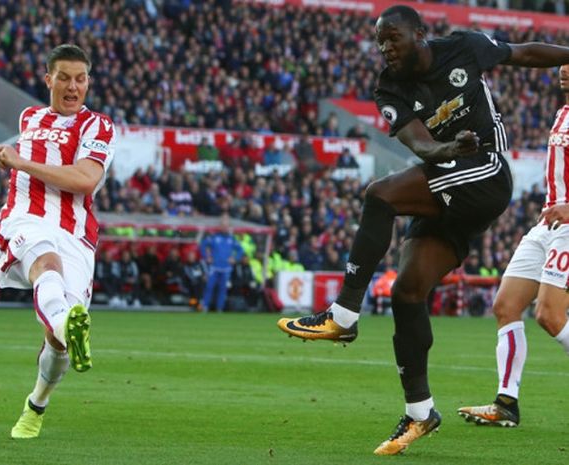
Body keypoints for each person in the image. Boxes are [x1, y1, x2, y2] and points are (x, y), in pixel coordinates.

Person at [277, 5, 569, 455]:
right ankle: (419, 413)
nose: (386, 48)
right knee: (407, 292)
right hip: (448, 171)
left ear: (419, 33)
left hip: (486, 170)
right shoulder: (389, 86)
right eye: (380, 41)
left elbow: (524, 53)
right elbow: (418, 143)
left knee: (379, 195)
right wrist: (447, 146)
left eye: (393, 38)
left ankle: (343, 316)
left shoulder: (463, 47)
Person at [0, 44, 115, 439]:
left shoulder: (98, 126)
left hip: (77, 235)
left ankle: (36, 404)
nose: (72, 86)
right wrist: (12, 161)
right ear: (48, 79)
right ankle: (69, 325)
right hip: (26, 219)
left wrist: (20, 162)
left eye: (80, 79)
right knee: (46, 265)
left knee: (56, 344)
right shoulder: (29, 116)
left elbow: (84, 180)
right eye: (63, 77)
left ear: (88, 83)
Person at [458, 64, 569, 428]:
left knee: (549, 316)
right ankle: (506, 403)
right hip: (546, 224)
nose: (564, 68)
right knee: (505, 306)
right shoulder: (562, 112)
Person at [198, 214, 243, 312]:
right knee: (209, 286)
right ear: (220, 226)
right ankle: (205, 306)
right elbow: (202, 246)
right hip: (214, 267)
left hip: (226, 268)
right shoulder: (214, 237)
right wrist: (207, 257)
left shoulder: (231, 239)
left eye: (226, 226)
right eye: (223, 225)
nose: (225, 227)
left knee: (223, 289)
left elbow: (240, 250)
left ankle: (220, 308)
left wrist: (234, 258)